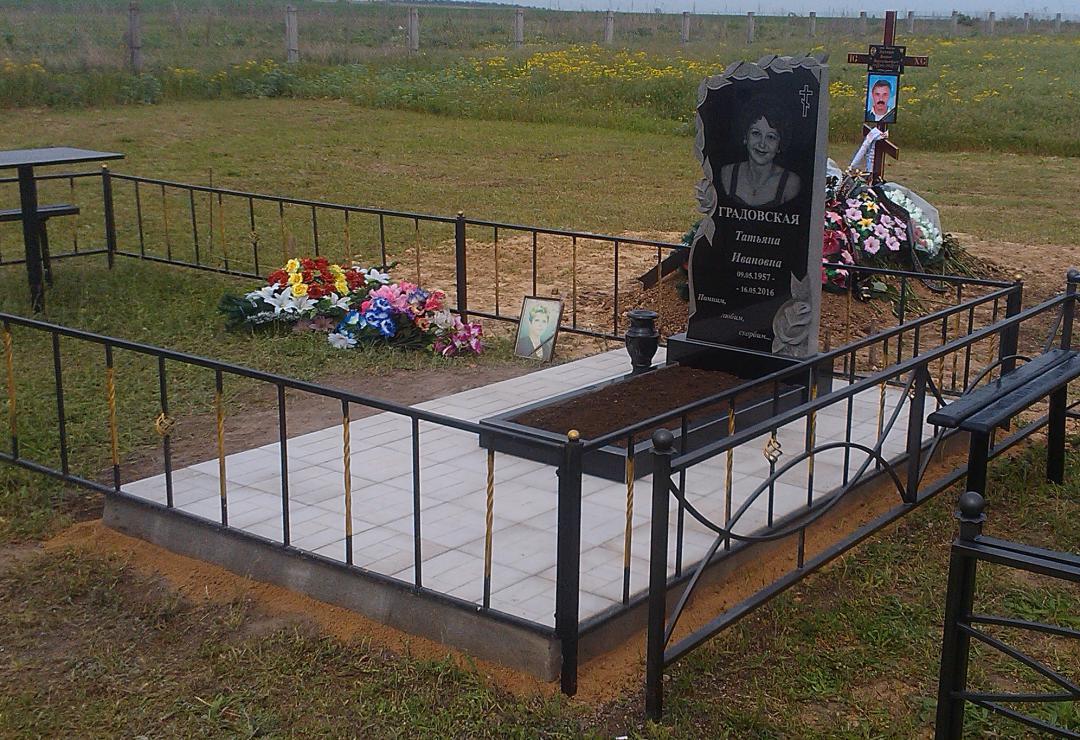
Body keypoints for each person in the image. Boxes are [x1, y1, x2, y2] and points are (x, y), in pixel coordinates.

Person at [719, 102, 802, 208]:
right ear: (745, 136)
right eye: (756, 133)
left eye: (771, 137)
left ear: (780, 144)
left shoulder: (790, 184)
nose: (762, 144)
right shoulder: (727, 174)